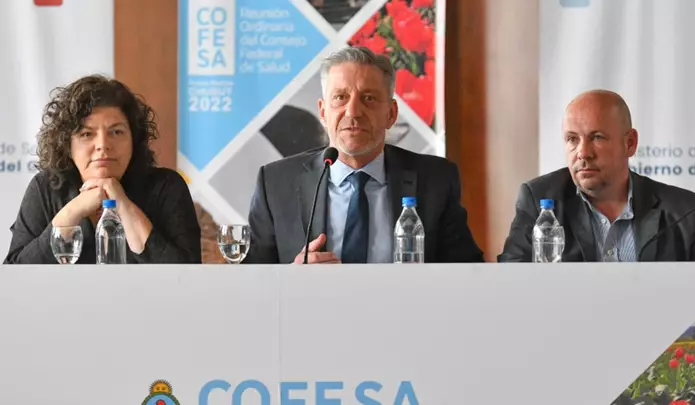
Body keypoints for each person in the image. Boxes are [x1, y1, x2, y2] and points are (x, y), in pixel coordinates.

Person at [245, 46, 484, 264]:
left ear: (391, 114)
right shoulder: (276, 183)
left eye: (368, 98)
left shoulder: (435, 180)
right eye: (340, 97)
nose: (353, 111)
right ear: (323, 112)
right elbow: (251, 280)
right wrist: (293, 277)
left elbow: (467, 272)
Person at [499, 89, 695, 262]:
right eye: (572, 139)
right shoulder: (538, 199)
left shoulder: (685, 211)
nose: (583, 153)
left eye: (597, 137)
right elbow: (510, 281)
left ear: (630, 143)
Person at [4, 75, 202, 264]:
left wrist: (123, 205)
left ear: (134, 140)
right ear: (67, 145)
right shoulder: (46, 188)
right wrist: (73, 211)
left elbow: (187, 276)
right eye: (87, 134)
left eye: (116, 132)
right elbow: (15, 275)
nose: (103, 145)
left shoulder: (166, 187)